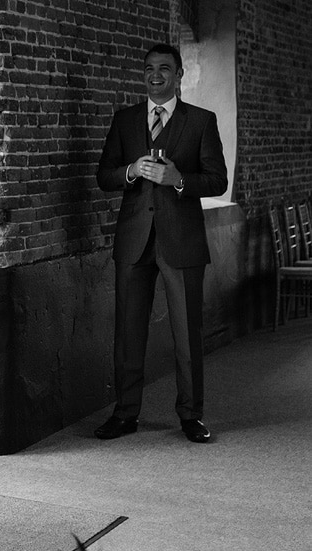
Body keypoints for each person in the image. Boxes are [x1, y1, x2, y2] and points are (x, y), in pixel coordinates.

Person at [95, 43, 228, 444]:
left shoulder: (202, 121)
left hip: (181, 241)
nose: (156, 75)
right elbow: (104, 176)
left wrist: (179, 180)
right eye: (150, 68)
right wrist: (132, 171)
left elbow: (219, 181)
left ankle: (191, 415)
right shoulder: (124, 121)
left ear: (179, 74)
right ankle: (125, 413)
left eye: (165, 69)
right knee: (128, 332)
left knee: (187, 333)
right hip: (134, 240)